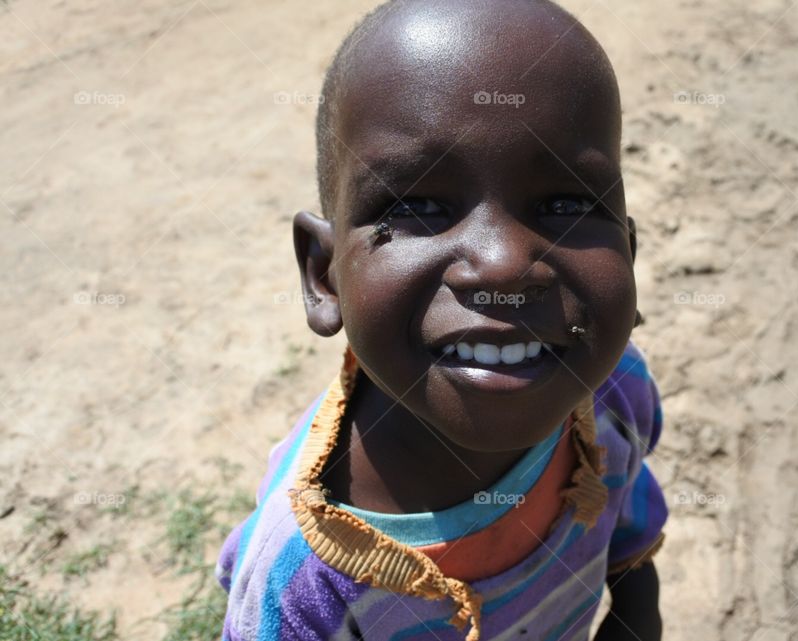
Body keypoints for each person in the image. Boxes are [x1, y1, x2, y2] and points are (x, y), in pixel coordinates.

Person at [217, 1, 668, 638]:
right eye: (418, 204)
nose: (504, 264)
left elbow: (630, 545)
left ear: (629, 253)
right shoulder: (303, 584)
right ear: (324, 276)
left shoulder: (614, 393)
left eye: (566, 201)